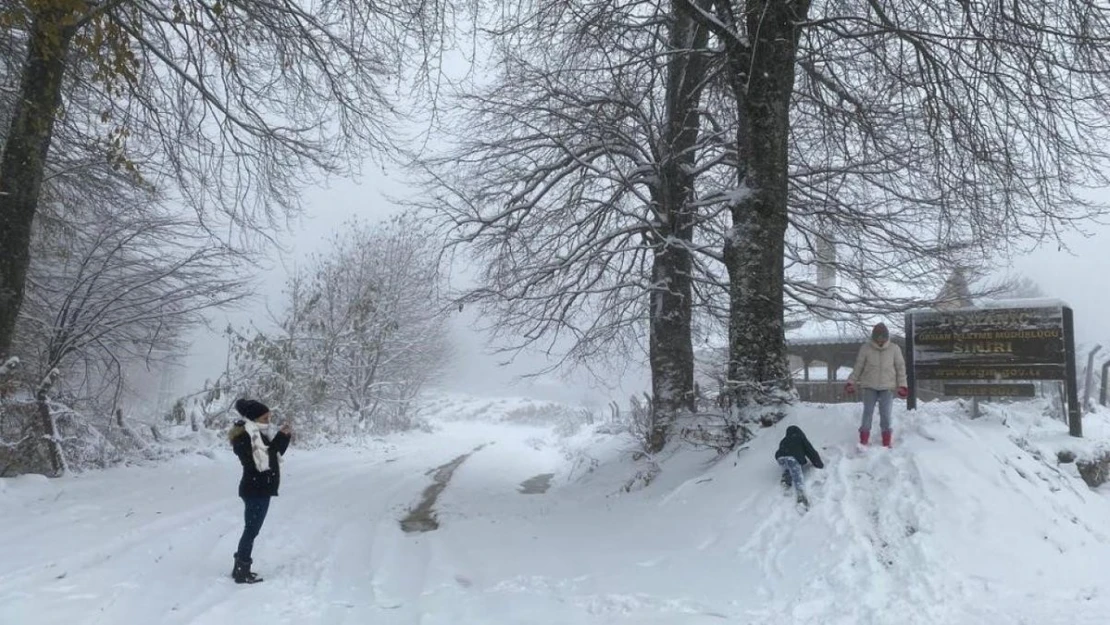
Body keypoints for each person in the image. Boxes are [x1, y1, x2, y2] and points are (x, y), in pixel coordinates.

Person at [228, 398, 292, 584]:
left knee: (251, 530)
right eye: (265, 418)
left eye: (269, 418)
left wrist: (283, 437)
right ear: (254, 418)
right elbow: (262, 462)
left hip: (259, 489)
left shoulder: (255, 435)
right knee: (251, 530)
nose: (268, 422)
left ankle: (240, 567)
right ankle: (241, 570)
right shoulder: (245, 437)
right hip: (255, 489)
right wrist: (281, 437)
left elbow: (271, 454)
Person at [845, 322, 908, 447]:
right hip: (869, 385)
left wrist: (902, 385)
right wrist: (851, 381)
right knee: (867, 412)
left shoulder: (894, 349)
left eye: (883, 338)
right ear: (873, 337)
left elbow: (900, 368)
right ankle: (863, 439)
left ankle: (886, 440)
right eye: (878, 338)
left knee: (885, 414)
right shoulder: (866, 348)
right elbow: (859, 366)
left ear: (886, 337)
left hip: (887, 386)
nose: (880, 341)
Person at [774, 425, 825, 507]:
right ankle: (801, 496)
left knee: (787, 466)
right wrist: (819, 464)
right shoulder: (800, 437)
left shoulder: (784, 440)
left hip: (780, 458)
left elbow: (780, 451)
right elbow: (811, 452)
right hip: (793, 458)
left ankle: (786, 478)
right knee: (797, 477)